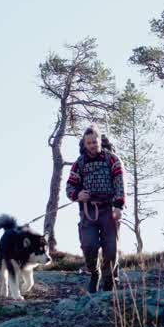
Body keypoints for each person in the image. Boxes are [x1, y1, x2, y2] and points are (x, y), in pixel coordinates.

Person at [64, 125, 125, 292]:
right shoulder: (79, 164)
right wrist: (77, 194)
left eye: (94, 141)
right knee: (88, 246)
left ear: (100, 141)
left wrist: (119, 206)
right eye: (88, 143)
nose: (92, 145)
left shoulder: (112, 159)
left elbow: (120, 184)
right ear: (85, 144)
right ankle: (94, 273)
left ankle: (110, 280)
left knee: (111, 249)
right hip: (88, 211)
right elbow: (69, 187)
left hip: (108, 209)